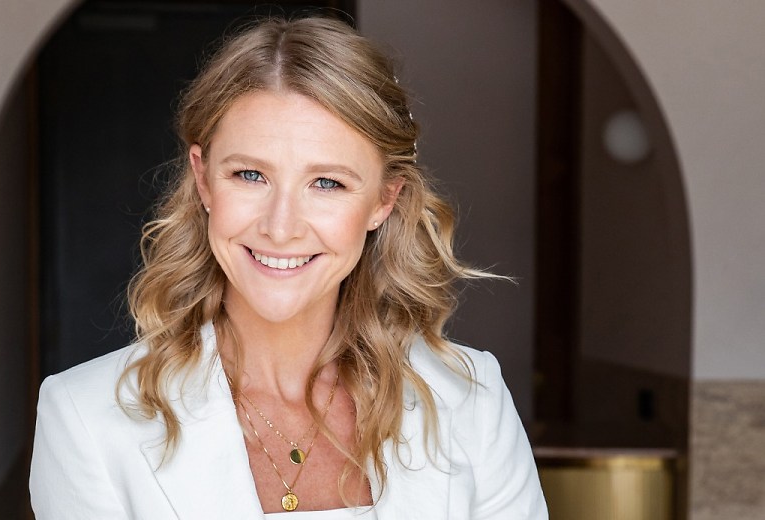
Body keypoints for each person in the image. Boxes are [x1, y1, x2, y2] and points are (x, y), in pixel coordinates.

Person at [29, 15, 547, 520]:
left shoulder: (472, 401)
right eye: (250, 175)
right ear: (204, 180)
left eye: (327, 183)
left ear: (384, 200)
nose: (281, 228)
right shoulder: (84, 418)